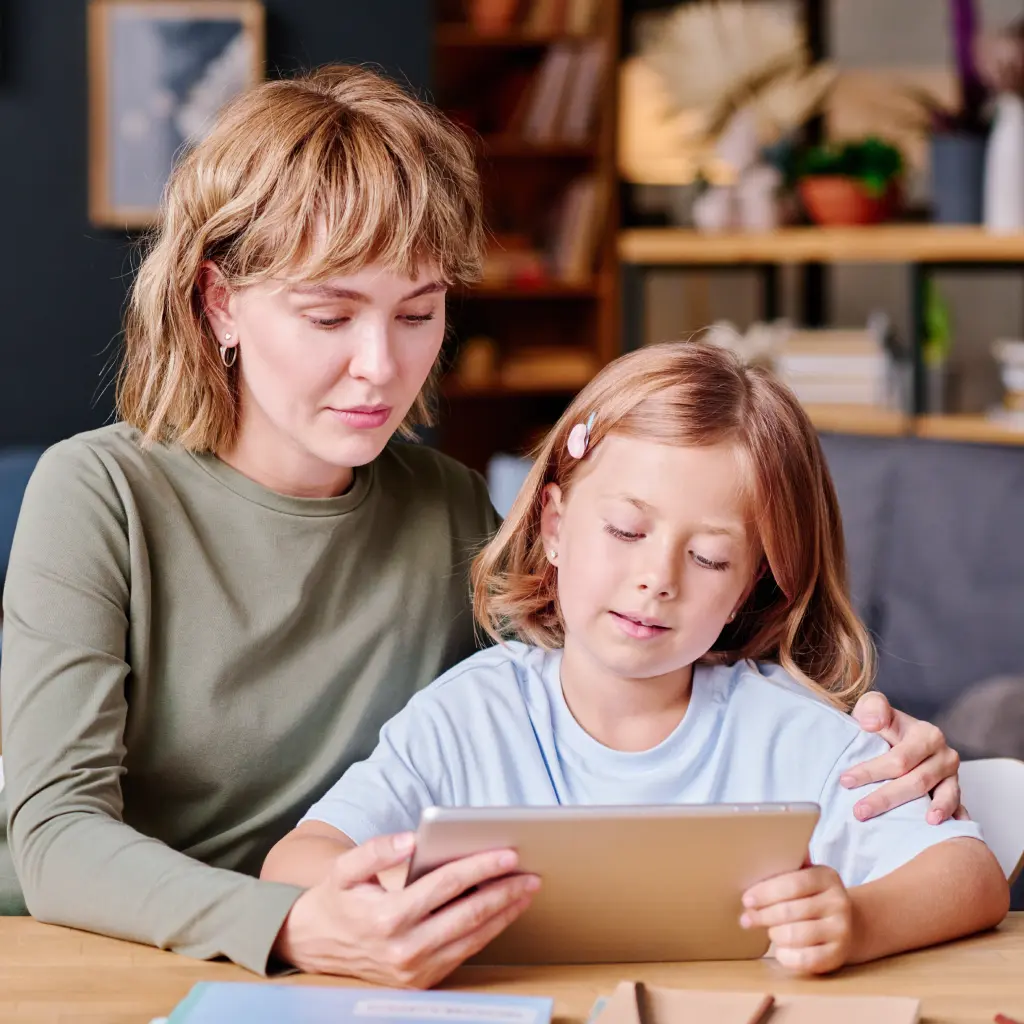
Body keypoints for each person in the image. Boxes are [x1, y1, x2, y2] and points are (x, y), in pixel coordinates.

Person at [0, 65, 963, 982]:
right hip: (113, 956)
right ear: (220, 305)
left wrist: (885, 758)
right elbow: (52, 834)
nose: (381, 366)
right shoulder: (101, 494)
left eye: (416, 314)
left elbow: (608, 674)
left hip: (364, 966)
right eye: (331, 317)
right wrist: (290, 925)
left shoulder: (450, 508)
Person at [264, 342, 1008, 984]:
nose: (658, 580)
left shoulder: (790, 731)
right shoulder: (470, 715)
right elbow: (296, 861)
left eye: (708, 557)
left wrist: (860, 920)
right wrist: (387, 894)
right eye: (625, 530)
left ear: (749, 586)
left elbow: (970, 875)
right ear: (554, 527)